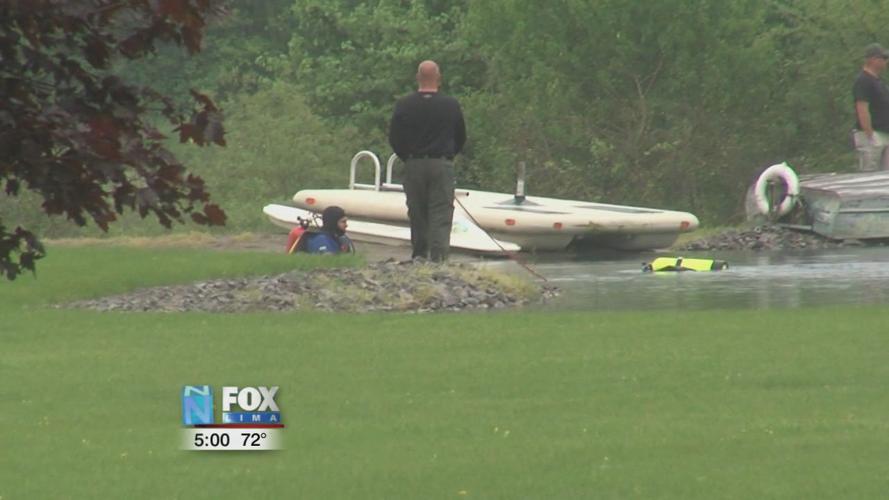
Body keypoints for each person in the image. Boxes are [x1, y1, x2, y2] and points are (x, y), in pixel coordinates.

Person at [389, 60, 466, 262]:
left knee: (417, 211)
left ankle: (420, 255)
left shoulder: (405, 104)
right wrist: (448, 157)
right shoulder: (450, 105)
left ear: (417, 77)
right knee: (440, 212)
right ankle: (439, 259)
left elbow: (394, 137)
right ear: (439, 78)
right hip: (441, 163)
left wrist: (407, 157)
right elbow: (461, 136)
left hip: (413, 163)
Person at [853, 43, 889, 171]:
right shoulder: (863, 80)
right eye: (883, 58)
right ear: (873, 59)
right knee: (870, 174)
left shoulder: (879, 81)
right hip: (871, 134)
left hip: (885, 133)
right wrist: (870, 134)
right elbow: (862, 108)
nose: (886, 61)